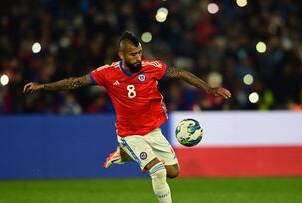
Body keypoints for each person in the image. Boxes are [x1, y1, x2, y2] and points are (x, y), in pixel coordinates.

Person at [23, 31, 231, 203]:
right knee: (157, 171)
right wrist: (43, 86)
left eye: (140, 52)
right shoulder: (107, 73)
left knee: (173, 172)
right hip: (129, 134)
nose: (138, 58)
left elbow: (181, 73)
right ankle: (125, 149)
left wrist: (209, 89)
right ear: (121, 55)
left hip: (153, 130)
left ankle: (123, 155)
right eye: (133, 54)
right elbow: (75, 82)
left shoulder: (152, 68)